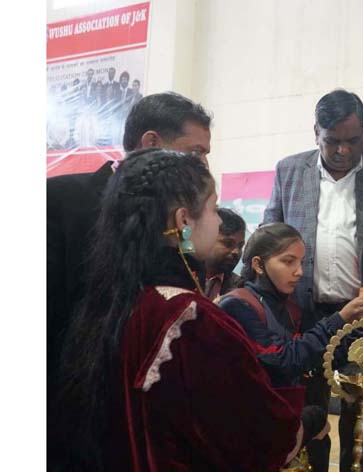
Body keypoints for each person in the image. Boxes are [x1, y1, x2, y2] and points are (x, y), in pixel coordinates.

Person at [57, 149, 327, 471]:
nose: (218, 220)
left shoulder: (112, 298)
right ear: (184, 221)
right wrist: (309, 420)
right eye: (213, 208)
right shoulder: (191, 319)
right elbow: (258, 437)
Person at [47, 92, 213, 469]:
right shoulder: (59, 202)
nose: (203, 164)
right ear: (151, 142)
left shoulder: (182, 228)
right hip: (66, 417)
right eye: (195, 152)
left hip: (147, 425)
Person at [263, 89, 363, 472]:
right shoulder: (289, 171)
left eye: (352, 141)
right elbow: (269, 236)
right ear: (315, 132)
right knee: (308, 411)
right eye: (332, 141)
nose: (342, 151)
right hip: (303, 315)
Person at [218, 223, 363, 387]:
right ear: (258, 265)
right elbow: (282, 363)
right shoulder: (237, 306)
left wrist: (361, 320)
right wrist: (341, 318)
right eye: (288, 262)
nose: (299, 272)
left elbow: (323, 359)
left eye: (301, 262)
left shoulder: (290, 308)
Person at [204, 208, 247, 300]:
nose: (236, 251)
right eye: (228, 243)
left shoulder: (241, 287)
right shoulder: (181, 277)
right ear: (206, 239)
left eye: (240, 246)